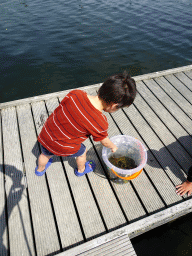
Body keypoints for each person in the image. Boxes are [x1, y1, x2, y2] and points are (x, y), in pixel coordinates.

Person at [35, 71, 137, 177]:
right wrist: (113, 147)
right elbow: (105, 142)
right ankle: (81, 170)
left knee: (45, 154)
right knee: (82, 152)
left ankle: (40, 170)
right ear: (113, 105)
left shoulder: (76, 93)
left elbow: (62, 108)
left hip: (46, 134)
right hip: (63, 145)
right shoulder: (100, 121)